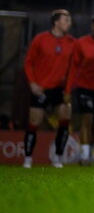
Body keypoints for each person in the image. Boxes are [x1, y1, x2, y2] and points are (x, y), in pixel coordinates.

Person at [22, 9, 75, 168]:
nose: (69, 23)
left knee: (65, 120)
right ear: (56, 22)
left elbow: (72, 69)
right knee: (34, 122)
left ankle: (58, 157)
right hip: (41, 89)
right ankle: (28, 158)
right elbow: (28, 63)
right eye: (66, 20)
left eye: (69, 20)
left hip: (59, 89)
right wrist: (32, 83)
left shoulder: (72, 42)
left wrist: (68, 91)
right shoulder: (40, 39)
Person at [68, 12, 94, 165]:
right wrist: (68, 90)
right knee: (87, 119)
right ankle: (85, 157)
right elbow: (73, 67)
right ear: (92, 27)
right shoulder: (81, 43)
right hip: (84, 88)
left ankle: (87, 151)